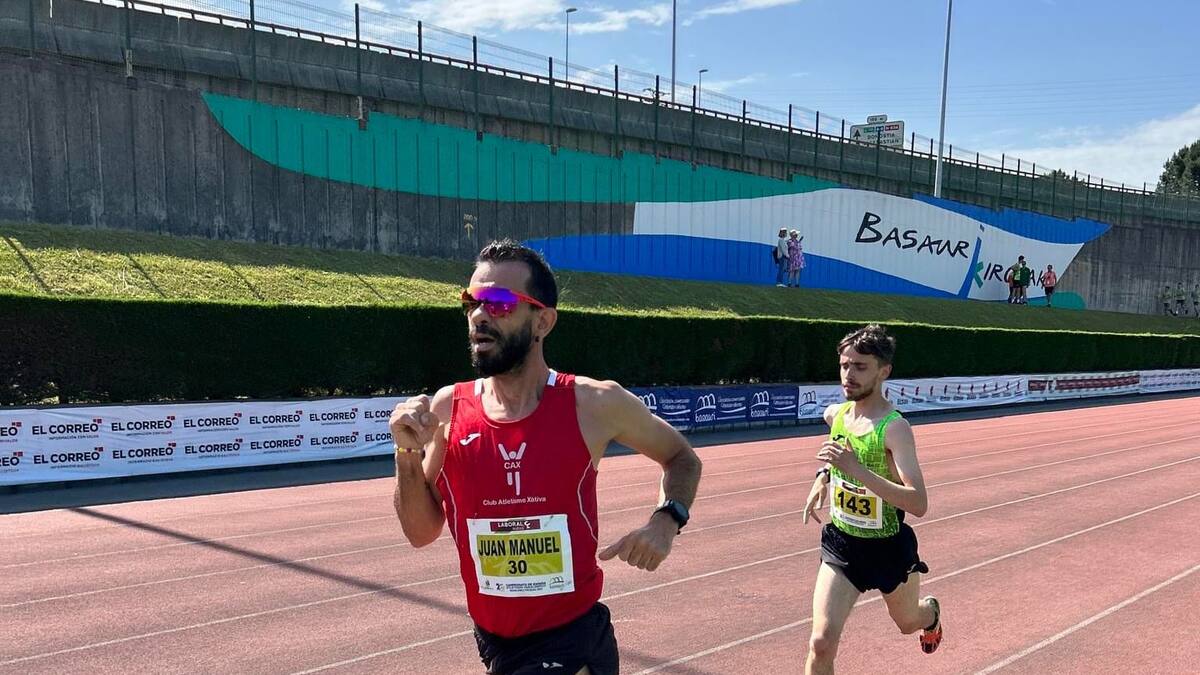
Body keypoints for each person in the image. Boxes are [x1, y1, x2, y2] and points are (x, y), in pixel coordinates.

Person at [389, 239, 702, 675]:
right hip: (494, 641)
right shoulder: (448, 410)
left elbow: (682, 458)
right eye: (471, 302)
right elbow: (420, 532)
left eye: (499, 302)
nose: (479, 315)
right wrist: (406, 452)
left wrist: (667, 519)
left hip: (571, 638)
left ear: (543, 321)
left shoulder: (592, 403)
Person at [801, 325, 941, 674]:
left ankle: (932, 613)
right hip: (843, 544)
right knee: (820, 642)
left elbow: (918, 503)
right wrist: (824, 476)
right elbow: (836, 450)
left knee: (908, 622)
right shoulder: (837, 414)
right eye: (845, 365)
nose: (848, 375)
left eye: (860, 367)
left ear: (884, 371)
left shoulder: (894, 428)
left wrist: (855, 469)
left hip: (889, 548)